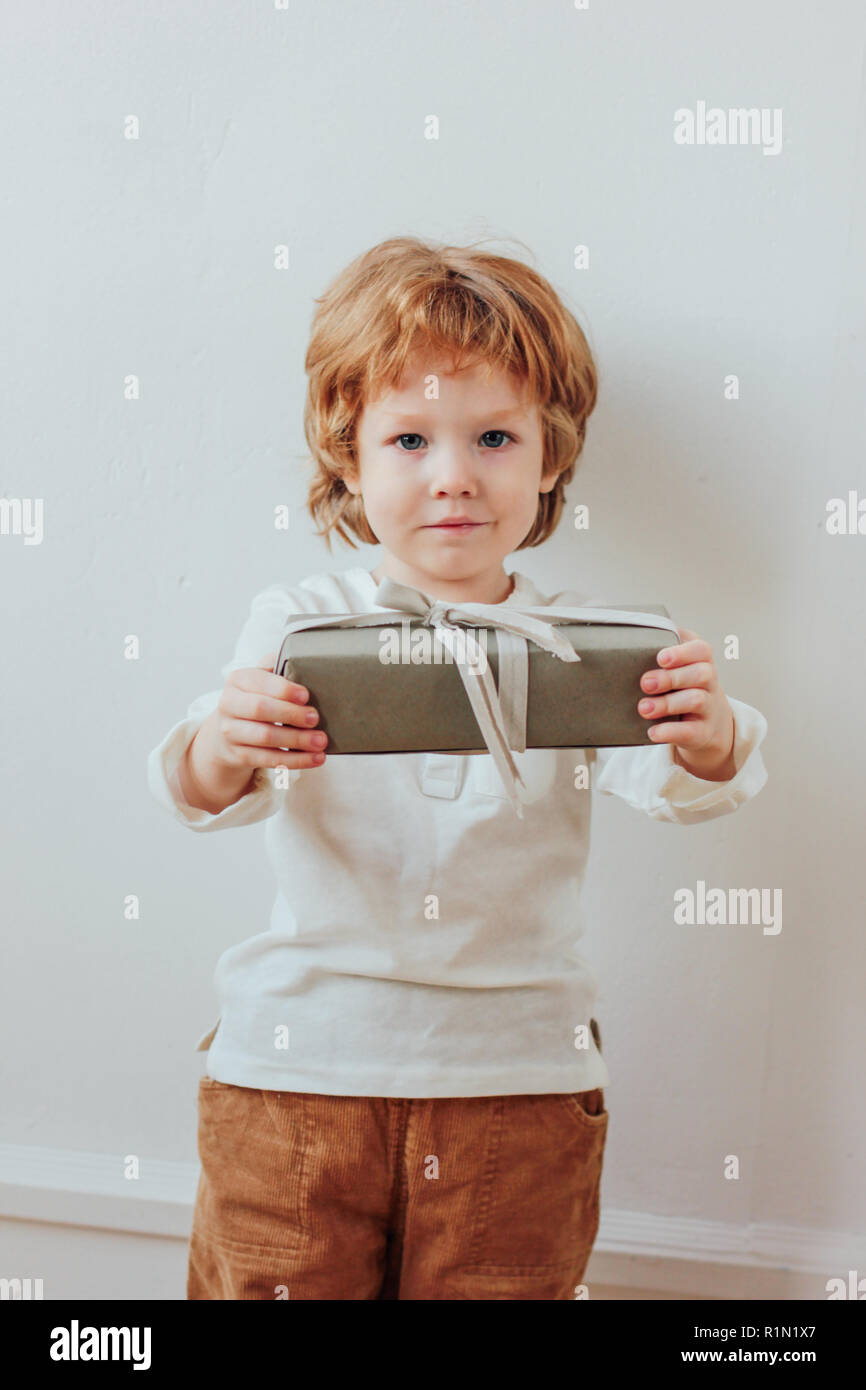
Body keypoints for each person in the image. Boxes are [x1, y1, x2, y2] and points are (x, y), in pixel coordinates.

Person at [147, 236, 769, 1300]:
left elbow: (682, 781)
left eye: (491, 436)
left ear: (547, 456)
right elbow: (204, 787)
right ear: (348, 455)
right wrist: (224, 741)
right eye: (407, 439)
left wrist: (707, 736)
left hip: (515, 1082)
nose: (452, 478)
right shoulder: (301, 621)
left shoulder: (583, 645)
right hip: (297, 1071)